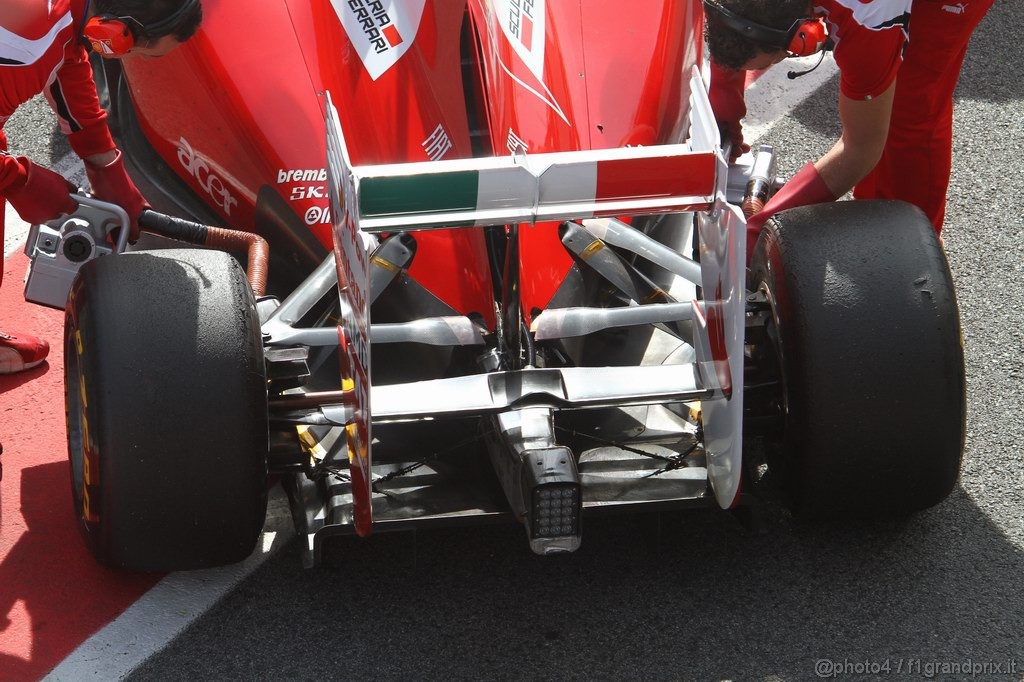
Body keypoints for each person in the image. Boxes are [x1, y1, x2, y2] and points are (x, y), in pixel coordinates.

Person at [0, 0, 202, 374]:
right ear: (114, 30)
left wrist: (105, 166)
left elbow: (68, 61)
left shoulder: (62, 18)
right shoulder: (28, 42)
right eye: (135, 50)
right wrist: (17, 180)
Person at [703, 0, 994, 256]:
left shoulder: (867, 19)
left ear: (804, 36)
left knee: (909, 109)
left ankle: (909, 248)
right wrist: (724, 88)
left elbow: (861, 148)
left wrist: (760, 228)